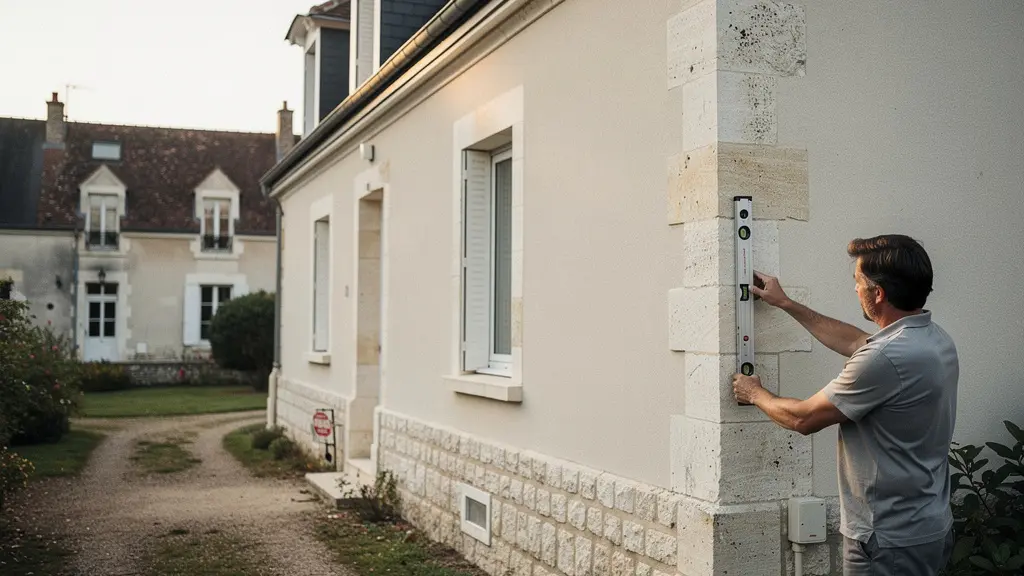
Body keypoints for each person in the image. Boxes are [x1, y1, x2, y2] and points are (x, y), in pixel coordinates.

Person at [731, 234, 958, 576]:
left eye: (857, 282)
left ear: (877, 294)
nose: (855, 289)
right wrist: (787, 303)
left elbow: (803, 419)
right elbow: (855, 341)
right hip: (926, 528)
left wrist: (754, 393)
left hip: (887, 540)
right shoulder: (931, 337)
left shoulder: (885, 358)